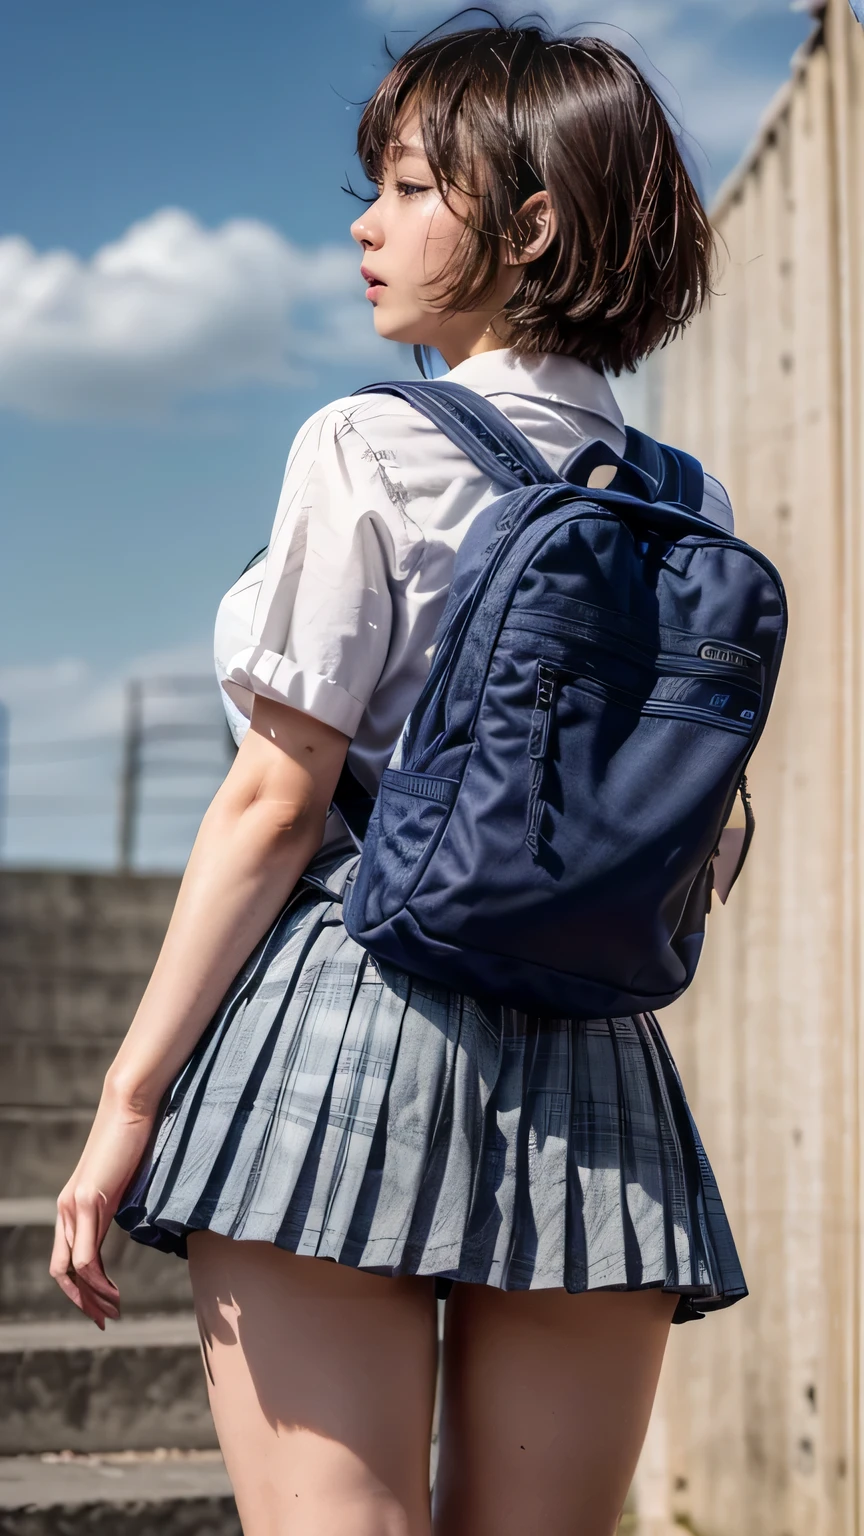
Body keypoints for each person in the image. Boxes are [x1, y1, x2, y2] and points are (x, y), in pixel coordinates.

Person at [51, 20, 747, 1536]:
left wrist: (124, 1103)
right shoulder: (687, 504)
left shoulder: (367, 443)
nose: (368, 223)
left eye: (412, 185)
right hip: (597, 1076)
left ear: (532, 220)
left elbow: (274, 796)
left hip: (350, 1024)